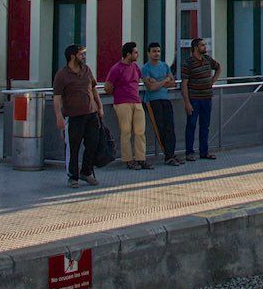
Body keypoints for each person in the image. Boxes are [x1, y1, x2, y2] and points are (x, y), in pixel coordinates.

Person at [52, 43, 103, 188]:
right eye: (81, 54)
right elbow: (56, 97)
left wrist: (99, 107)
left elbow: (94, 89)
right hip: (74, 116)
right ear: (72, 56)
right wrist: (58, 117)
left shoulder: (86, 70)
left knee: (92, 143)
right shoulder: (62, 75)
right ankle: (72, 176)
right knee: (73, 147)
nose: (84, 57)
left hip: (91, 113)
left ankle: (86, 172)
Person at [105, 41, 152, 170]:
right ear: (128, 54)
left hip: (136, 101)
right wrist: (119, 92)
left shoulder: (136, 67)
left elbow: (144, 79)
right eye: (135, 52)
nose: (137, 55)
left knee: (140, 131)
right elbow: (107, 87)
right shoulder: (116, 68)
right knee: (126, 132)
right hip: (122, 102)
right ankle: (128, 159)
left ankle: (140, 158)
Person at [142, 42, 183, 166]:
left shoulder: (164, 65)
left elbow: (172, 83)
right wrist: (164, 80)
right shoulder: (145, 68)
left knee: (170, 126)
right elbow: (151, 87)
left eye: (158, 51)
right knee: (160, 127)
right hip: (152, 101)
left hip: (165, 99)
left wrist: (160, 81)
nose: (156, 54)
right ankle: (168, 155)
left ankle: (171, 154)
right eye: (154, 51)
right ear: (149, 53)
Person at [181, 37, 221, 161]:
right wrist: (187, 102)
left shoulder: (207, 59)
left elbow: (218, 67)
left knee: (205, 125)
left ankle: (204, 151)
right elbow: (184, 84)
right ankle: (189, 152)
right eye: (202, 45)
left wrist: (212, 81)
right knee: (191, 125)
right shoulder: (188, 62)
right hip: (194, 98)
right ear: (195, 47)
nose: (205, 47)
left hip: (207, 97)